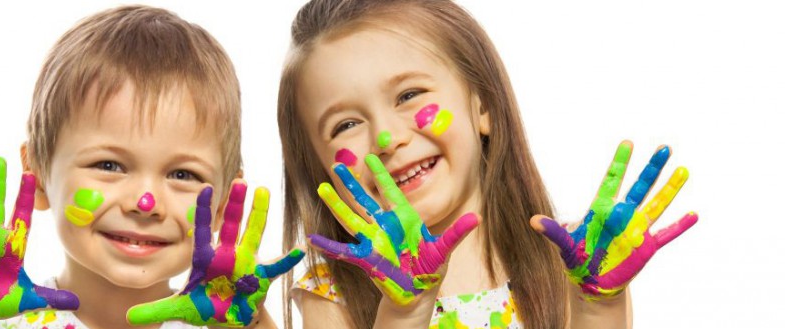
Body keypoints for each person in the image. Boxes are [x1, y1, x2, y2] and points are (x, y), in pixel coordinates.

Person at [276, 1, 697, 328]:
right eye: (346, 124)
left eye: (408, 95)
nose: (387, 138)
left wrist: (598, 302)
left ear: (484, 105)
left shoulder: (570, 262)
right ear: (317, 168)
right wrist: (404, 314)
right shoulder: (330, 295)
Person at [0, 5, 300, 328]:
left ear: (224, 203)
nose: (145, 202)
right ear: (37, 176)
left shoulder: (223, 325)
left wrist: (252, 324)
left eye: (182, 175)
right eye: (109, 164)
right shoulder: (1, 322)